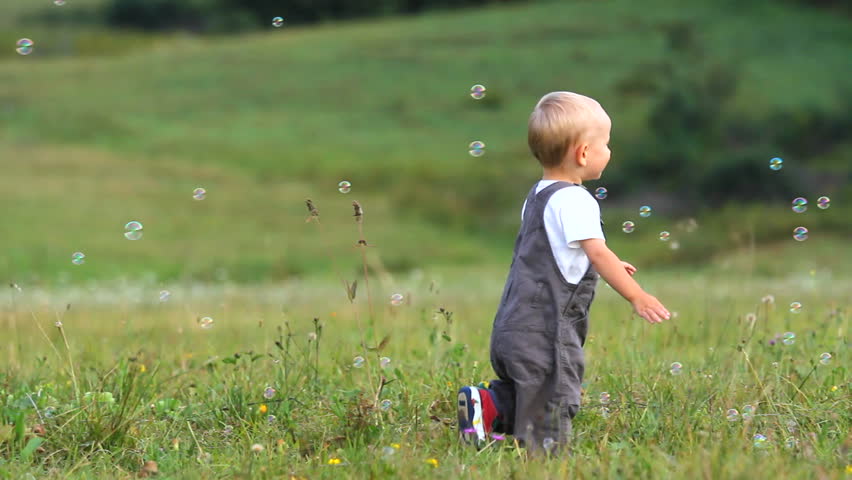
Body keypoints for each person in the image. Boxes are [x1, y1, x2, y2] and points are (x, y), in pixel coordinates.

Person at [457, 92, 671, 455]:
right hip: (546, 330)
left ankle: (488, 404)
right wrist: (637, 294)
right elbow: (596, 250)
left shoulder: (539, 194)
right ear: (583, 154)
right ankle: (550, 463)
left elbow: (559, 248)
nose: (610, 151)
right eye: (606, 143)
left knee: (528, 388)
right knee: (553, 396)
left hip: (513, 325)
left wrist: (610, 263)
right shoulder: (577, 199)